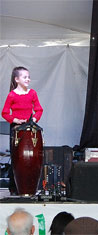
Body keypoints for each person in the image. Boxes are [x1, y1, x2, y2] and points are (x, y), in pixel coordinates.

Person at [1, 66, 43, 195]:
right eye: (25, 77)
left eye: (28, 77)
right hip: (17, 128)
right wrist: (16, 120)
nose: (28, 79)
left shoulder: (32, 93)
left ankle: (31, 187)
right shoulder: (12, 95)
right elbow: (5, 113)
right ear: (17, 79)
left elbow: (39, 109)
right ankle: (15, 188)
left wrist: (34, 119)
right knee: (17, 158)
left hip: (30, 126)